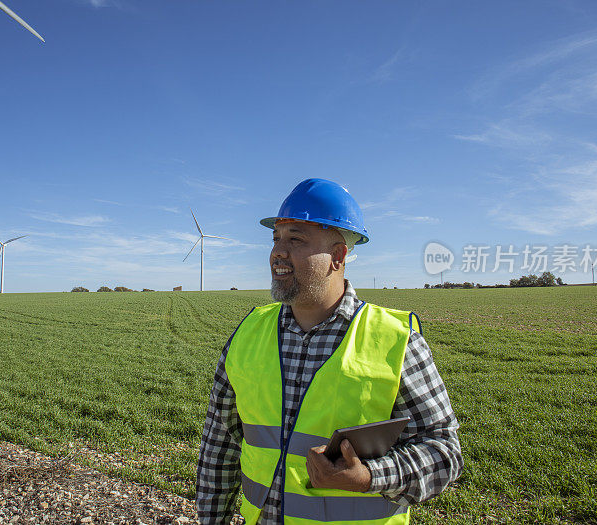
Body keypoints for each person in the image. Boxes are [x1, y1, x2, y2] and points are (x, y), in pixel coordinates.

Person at [196, 178, 463, 525]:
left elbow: (444, 453)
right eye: (276, 238)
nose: (278, 251)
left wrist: (370, 477)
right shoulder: (248, 332)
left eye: (296, 239)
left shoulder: (396, 340)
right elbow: (220, 447)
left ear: (338, 256)